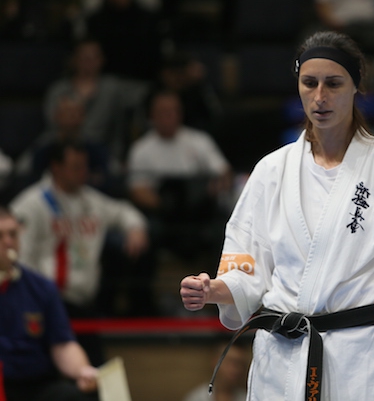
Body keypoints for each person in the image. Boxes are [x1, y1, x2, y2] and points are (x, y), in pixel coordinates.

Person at [180, 30, 374, 401]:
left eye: (333, 84)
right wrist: (212, 289)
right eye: (309, 83)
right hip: (282, 359)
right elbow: (246, 268)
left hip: (365, 357)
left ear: (356, 86)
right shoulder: (271, 170)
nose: (320, 96)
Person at [9, 141, 149, 354]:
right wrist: (35, 300)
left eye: (85, 167)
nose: (83, 173)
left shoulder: (91, 200)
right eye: (76, 167)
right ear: (56, 168)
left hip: (85, 304)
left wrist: (135, 228)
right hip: (49, 305)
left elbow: (123, 211)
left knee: (94, 367)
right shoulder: (31, 204)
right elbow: (20, 258)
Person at [0, 206, 99, 401]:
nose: (8, 242)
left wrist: (82, 370)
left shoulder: (41, 287)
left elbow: (62, 344)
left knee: (72, 396)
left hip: (35, 386)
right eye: (0, 236)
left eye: (13, 234)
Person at [127, 89, 232, 264]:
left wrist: (215, 187)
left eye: (174, 110)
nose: (170, 116)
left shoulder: (199, 140)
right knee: (149, 229)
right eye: (163, 111)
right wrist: (169, 206)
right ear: (152, 115)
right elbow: (137, 190)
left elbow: (224, 172)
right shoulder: (141, 149)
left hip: (200, 209)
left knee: (223, 226)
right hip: (163, 212)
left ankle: (220, 276)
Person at [43, 38, 148, 165]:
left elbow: (144, 92)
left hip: (104, 152)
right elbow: (52, 125)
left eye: (94, 57)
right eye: (84, 57)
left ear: (102, 60)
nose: (89, 61)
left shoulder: (112, 88)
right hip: (63, 150)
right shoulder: (58, 90)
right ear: (74, 59)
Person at [182, 336, 251, 401]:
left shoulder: (247, 398)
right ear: (215, 362)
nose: (235, 370)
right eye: (229, 362)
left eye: (239, 364)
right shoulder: (197, 398)